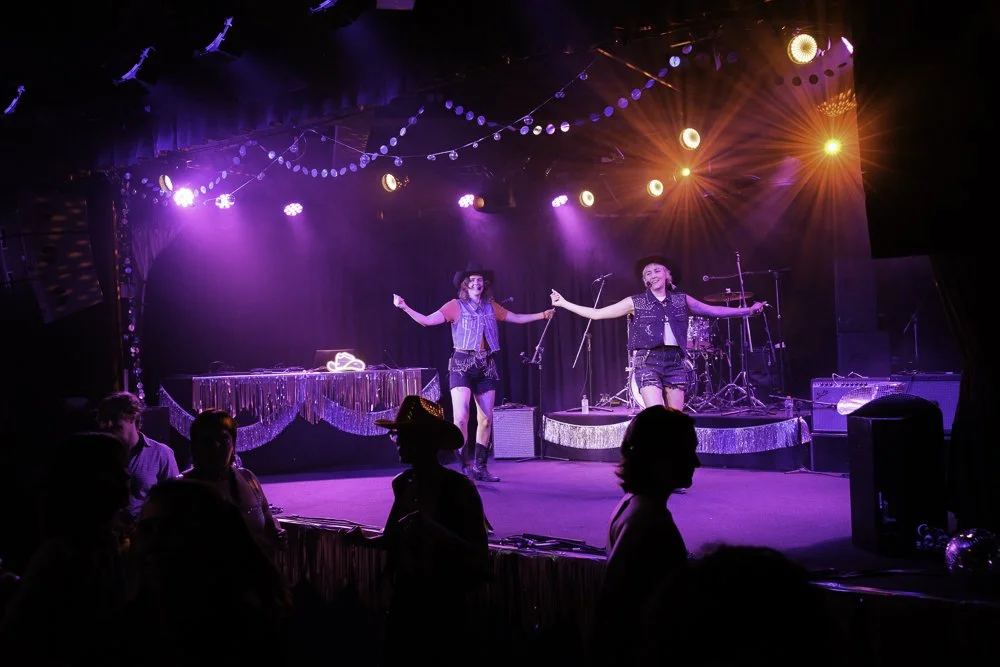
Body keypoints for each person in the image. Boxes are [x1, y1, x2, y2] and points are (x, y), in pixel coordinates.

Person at [345, 395, 490, 667]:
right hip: (406, 601)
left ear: (426, 441)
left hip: (444, 605)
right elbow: (392, 538)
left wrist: (433, 529)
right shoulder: (403, 483)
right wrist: (364, 540)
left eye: (405, 435)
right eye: (396, 435)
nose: (397, 441)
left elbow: (480, 557)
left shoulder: (459, 489)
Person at [393, 260, 555, 482]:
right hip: (461, 364)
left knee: (486, 419)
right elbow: (427, 321)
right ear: (464, 285)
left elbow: (515, 317)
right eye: (472, 281)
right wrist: (404, 307)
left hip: (486, 365)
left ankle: (481, 467)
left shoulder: (492, 307)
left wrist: (542, 315)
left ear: (484, 285)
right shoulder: (454, 306)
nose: (477, 284)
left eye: (480, 281)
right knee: (460, 417)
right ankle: (463, 468)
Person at [551, 254, 766, 411]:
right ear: (645, 281)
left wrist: (748, 310)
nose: (652, 274)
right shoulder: (635, 301)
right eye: (647, 273)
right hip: (647, 361)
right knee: (655, 417)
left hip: (675, 362)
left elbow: (713, 310)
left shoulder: (682, 300)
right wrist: (564, 303)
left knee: (674, 421)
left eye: (657, 270)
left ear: (667, 275)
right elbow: (597, 314)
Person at [589, 405, 700, 667]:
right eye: (688, 451)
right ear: (661, 456)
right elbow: (614, 606)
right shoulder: (646, 518)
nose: (696, 462)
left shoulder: (635, 506)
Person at [180, 408, 287, 561]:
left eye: (223, 439)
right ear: (195, 446)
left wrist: (276, 532)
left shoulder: (248, 478)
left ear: (233, 444)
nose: (216, 446)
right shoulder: (179, 489)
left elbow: (268, 521)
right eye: (207, 440)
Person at [97, 391, 180, 525]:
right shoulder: (99, 454)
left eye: (114, 417)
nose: (109, 424)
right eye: (105, 419)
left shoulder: (161, 453)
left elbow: (174, 499)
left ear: (133, 415)